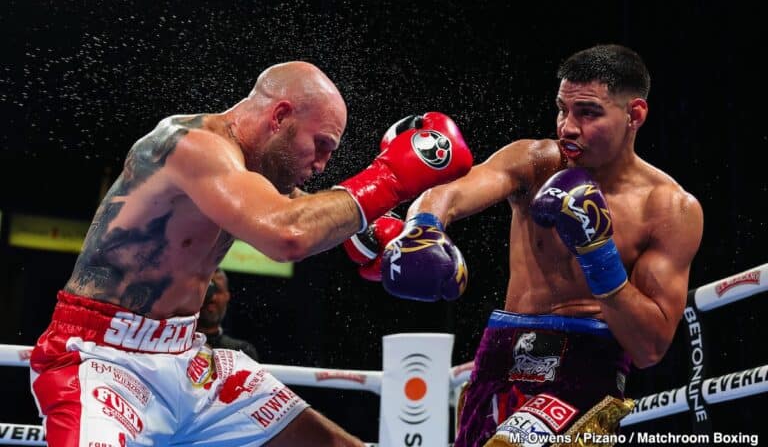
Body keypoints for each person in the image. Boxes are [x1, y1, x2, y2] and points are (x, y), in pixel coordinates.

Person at [29, 60, 473, 447]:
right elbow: (287, 234)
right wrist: (391, 177)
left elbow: (301, 209)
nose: (321, 164)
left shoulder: (245, 172)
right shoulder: (192, 144)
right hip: (101, 358)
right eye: (320, 145)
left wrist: (365, 234)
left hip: (188, 360)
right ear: (280, 115)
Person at [351, 44, 704, 446]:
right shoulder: (536, 162)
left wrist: (598, 254)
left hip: (584, 369)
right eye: (562, 109)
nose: (568, 127)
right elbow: (451, 193)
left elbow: (650, 348)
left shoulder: (669, 209)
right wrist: (423, 225)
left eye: (588, 113)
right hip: (499, 357)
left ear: (634, 115)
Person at [197, 267, 260, 361]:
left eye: (217, 291)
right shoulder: (176, 347)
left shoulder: (241, 352)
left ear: (227, 296)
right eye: (207, 289)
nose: (212, 297)